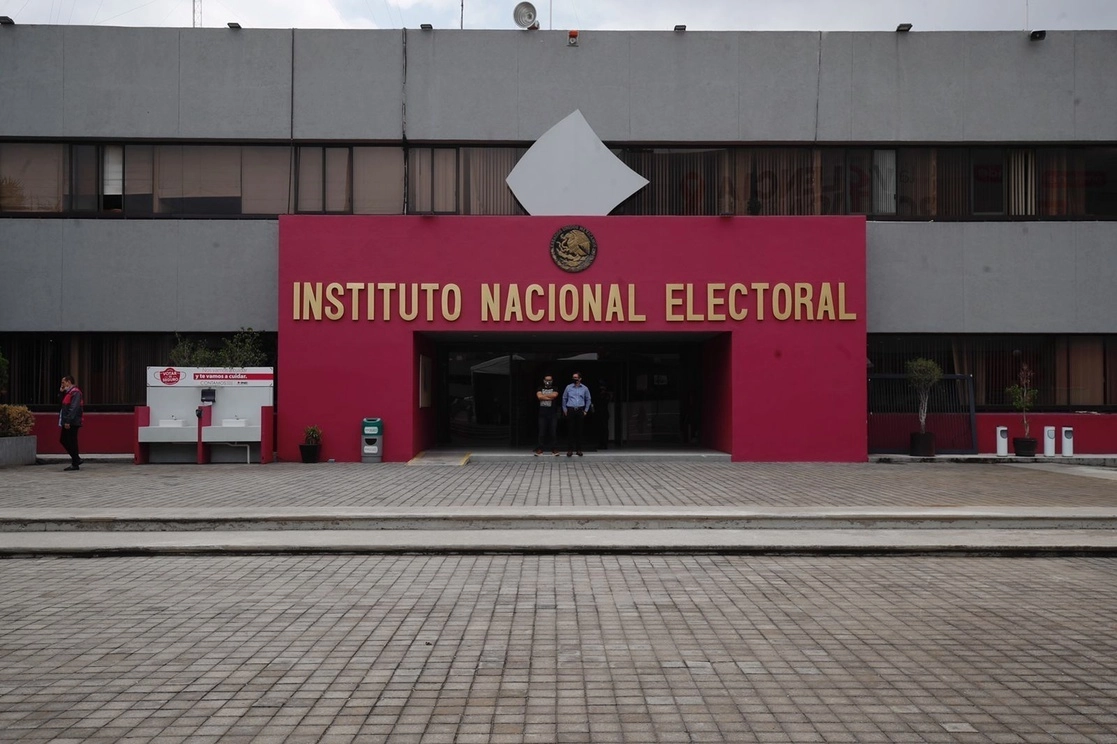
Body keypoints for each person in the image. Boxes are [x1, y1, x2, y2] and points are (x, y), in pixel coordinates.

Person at [561, 372, 592, 457]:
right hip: (570, 410)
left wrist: (585, 410)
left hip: (580, 410)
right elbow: (564, 398)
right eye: (573, 377)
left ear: (580, 378)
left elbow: (588, 399)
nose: (574, 379)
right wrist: (565, 409)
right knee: (570, 430)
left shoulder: (585, 388)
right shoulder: (568, 387)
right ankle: (570, 449)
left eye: (576, 377)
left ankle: (579, 449)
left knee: (579, 431)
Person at [58, 375, 84, 472]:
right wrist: (61, 393)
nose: (62, 384)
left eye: (63, 382)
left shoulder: (75, 392)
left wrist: (68, 420)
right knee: (65, 440)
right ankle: (76, 459)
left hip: (73, 421)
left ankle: (75, 461)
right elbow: (61, 404)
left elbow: (74, 408)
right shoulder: (68, 393)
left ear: (69, 382)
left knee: (71, 441)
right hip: (68, 420)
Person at [534, 374, 560, 456]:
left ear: (552, 381)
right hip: (542, 414)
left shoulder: (555, 388)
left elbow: (554, 395)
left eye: (549, 380)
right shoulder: (540, 388)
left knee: (553, 432)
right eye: (546, 380)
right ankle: (540, 449)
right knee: (541, 432)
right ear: (544, 381)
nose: (548, 382)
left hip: (553, 414)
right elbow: (539, 397)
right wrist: (549, 397)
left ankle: (554, 449)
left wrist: (543, 396)